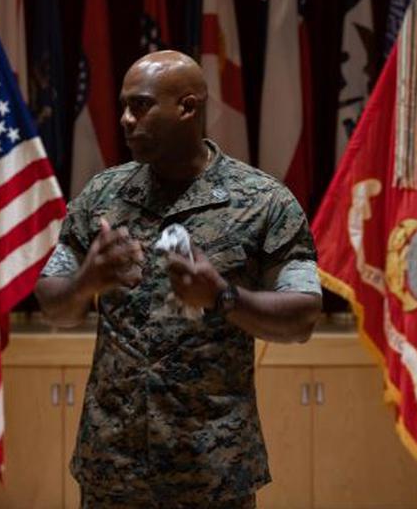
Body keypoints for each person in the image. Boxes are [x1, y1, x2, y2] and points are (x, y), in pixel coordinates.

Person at [35, 50, 322, 508]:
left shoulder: (263, 202)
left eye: (142, 105)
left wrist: (224, 296)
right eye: (125, 106)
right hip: (113, 467)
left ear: (188, 108)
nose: (127, 119)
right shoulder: (104, 195)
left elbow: (303, 316)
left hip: (212, 469)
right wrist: (85, 283)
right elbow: (52, 304)